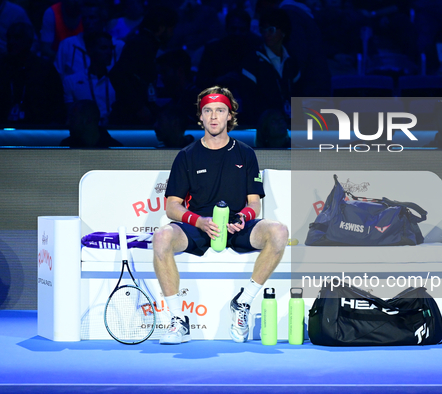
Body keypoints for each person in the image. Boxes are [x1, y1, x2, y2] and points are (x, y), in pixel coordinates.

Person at [153, 86, 288, 345]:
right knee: (161, 237)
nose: (214, 116)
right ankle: (178, 320)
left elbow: (254, 204)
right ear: (200, 116)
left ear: (229, 115)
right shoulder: (186, 156)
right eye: (208, 111)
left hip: (238, 226)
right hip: (199, 226)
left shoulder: (245, 153)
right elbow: (172, 206)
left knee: (279, 232)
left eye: (220, 110)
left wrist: (243, 218)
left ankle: (243, 302)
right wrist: (200, 221)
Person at [108, 5, 178, 125]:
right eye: (171, 29)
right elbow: (117, 74)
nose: (172, 34)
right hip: (129, 118)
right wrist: (139, 107)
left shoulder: (144, 43)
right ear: (161, 28)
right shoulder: (141, 44)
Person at [241, 8, 301, 126]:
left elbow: (298, 94)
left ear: (283, 32)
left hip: (289, 124)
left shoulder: (291, 60)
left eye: (271, 30)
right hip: (263, 126)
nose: (266, 35)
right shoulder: (252, 61)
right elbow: (249, 100)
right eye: (263, 30)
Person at [0, 22, 66, 125]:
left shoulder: (44, 69)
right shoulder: (2, 66)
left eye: (17, 38)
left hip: (37, 129)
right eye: (9, 38)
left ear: (29, 42)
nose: (11, 42)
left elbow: (57, 104)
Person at [54, 1, 125, 79]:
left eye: (92, 18)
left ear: (103, 20)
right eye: (84, 18)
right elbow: (57, 76)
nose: (87, 22)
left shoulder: (117, 46)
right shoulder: (67, 44)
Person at [62, 31, 117, 126]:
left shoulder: (118, 80)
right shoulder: (71, 81)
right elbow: (71, 116)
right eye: (103, 48)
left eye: (111, 48)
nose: (109, 52)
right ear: (89, 50)